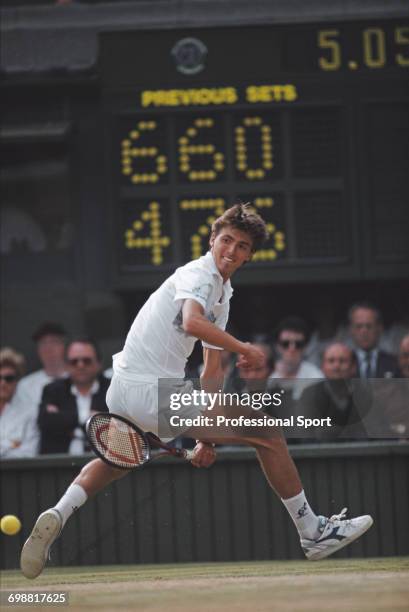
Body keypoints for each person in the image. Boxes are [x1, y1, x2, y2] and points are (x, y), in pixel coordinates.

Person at [21, 204, 373, 578]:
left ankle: (60, 511)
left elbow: (211, 369)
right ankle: (312, 531)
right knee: (268, 433)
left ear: (249, 255)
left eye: (241, 246)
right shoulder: (200, 275)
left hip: (124, 389)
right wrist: (246, 348)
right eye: (226, 241)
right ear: (212, 240)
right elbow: (191, 320)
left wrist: (208, 440)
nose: (231, 251)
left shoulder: (222, 292)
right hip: (153, 391)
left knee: (116, 464)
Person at [37, 338, 110, 454]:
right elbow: (46, 423)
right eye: (74, 361)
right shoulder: (53, 390)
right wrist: (91, 418)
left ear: (99, 363)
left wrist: (65, 422)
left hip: (104, 463)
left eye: (86, 361)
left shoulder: (112, 389)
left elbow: (118, 427)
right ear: (66, 365)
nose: (80, 365)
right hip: (60, 465)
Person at [297, 343, 370, 441]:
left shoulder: (365, 395)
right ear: (323, 367)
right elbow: (304, 435)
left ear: (353, 367)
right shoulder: (309, 395)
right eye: (331, 361)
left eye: (342, 361)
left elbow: (373, 433)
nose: (336, 366)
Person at [268, 317, 323, 400]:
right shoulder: (267, 373)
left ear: (305, 347)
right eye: (285, 344)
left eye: (298, 344)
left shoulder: (316, 376)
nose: (292, 348)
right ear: (277, 346)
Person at [17, 322, 67, 413]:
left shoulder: (79, 378)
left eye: (53, 341)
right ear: (38, 350)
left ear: (63, 346)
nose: (48, 348)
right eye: (43, 343)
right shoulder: (25, 386)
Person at [0, 348, 39, 458]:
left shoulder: (31, 412)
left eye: (9, 378)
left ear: (17, 380)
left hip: (16, 474)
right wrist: (9, 446)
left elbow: (29, 453)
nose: (3, 383)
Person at [348, 303, 398, 378]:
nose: (364, 332)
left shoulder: (395, 364)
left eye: (369, 326)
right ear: (351, 330)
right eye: (359, 326)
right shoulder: (345, 363)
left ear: (379, 328)